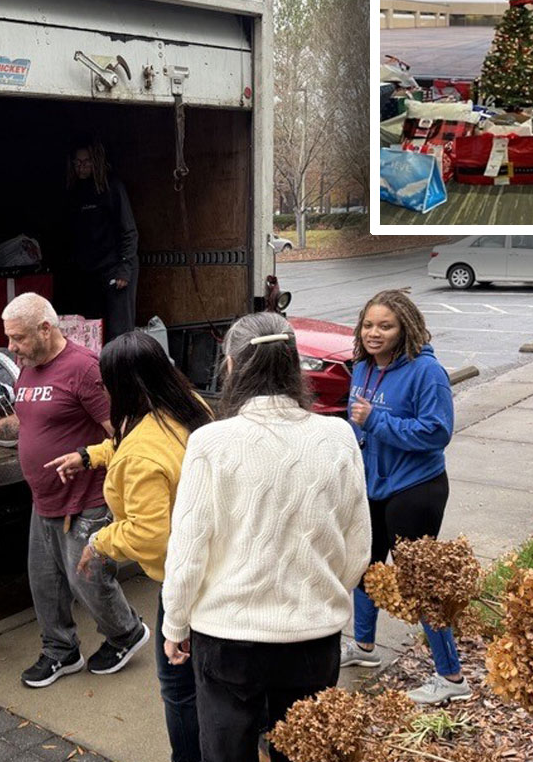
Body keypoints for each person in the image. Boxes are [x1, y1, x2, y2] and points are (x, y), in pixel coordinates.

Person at [161, 312, 371, 762]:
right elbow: (358, 548)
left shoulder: (211, 442)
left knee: (226, 752)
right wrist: (320, 592)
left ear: (232, 367)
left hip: (227, 638)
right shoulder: (339, 436)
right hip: (314, 637)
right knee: (304, 752)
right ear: (295, 366)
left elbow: (188, 548)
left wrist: (175, 621)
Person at [46, 332, 213, 762]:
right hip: (213, 559)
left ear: (122, 385)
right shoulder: (189, 408)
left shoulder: (142, 454)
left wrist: (99, 543)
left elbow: (148, 532)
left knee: (178, 688)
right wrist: (89, 455)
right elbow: (132, 443)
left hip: (184, 581)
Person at [0, 292, 149, 688]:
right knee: (44, 582)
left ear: (45, 329)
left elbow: (122, 436)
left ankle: (126, 633)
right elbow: (25, 422)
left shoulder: (85, 370)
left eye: (18, 338)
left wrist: (105, 478)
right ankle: (61, 651)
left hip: (85, 500)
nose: (11, 348)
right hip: (45, 499)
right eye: (9, 339)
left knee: (86, 578)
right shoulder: (28, 368)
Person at [342, 289, 467, 705]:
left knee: (418, 582)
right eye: (369, 325)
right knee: (367, 566)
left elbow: (437, 433)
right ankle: (364, 649)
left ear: (405, 328)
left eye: (386, 326)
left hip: (416, 488)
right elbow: (357, 428)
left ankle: (451, 676)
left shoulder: (426, 373)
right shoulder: (361, 367)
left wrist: (377, 420)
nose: (374, 333)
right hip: (373, 486)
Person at [65, 139, 139, 342]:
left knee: (119, 329)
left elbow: (129, 231)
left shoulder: (111, 186)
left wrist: (125, 268)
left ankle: (122, 370)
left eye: (87, 162)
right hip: (90, 271)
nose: (82, 167)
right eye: (77, 162)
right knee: (91, 327)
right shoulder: (74, 192)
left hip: (115, 269)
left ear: (96, 162)